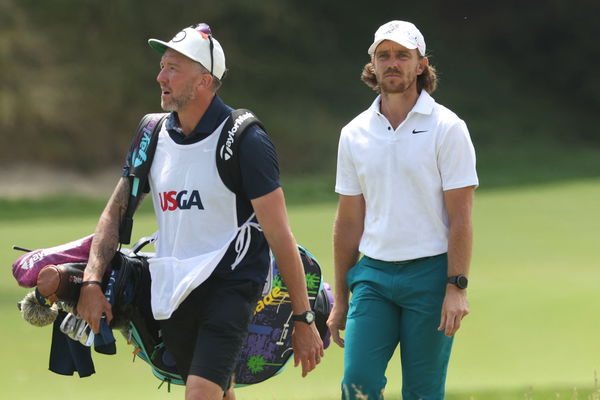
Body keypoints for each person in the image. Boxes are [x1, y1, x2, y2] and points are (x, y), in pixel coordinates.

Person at [76, 23, 324, 400]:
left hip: (230, 286)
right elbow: (115, 213)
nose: (160, 77)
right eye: (162, 66)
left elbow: (279, 233)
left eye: (173, 68)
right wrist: (93, 281)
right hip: (171, 288)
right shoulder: (152, 133)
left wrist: (304, 317)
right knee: (220, 392)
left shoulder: (245, 139)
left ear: (205, 80)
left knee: (200, 394)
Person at [326, 20, 479, 400]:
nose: (392, 63)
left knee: (423, 391)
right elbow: (348, 222)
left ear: (421, 64)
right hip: (373, 277)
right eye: (384, 56)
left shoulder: (447, 127)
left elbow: (461, 217)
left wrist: (456, 286)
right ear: (372, 65)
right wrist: (342, 297)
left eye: (402, 56)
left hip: (430, 276)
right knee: (357, 383)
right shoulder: (354, 133)